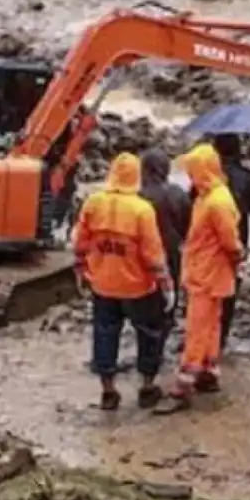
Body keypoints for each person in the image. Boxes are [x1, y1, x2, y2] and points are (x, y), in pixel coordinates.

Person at [74, 153, 172, 410]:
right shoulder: (142, 210)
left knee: (105, 334)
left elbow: (80, 243)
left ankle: (108, 390)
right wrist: (165, 282)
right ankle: (147, 386)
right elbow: (153, 254)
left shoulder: (93, 203)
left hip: (103, 284)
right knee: (149, 334)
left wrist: (82, 270)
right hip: (139, 287)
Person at [157, 143, 243, 414]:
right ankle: (208, 371)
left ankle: (184, 385)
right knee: (211, 325)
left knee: (197, 328)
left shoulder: (217, 201)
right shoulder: (211, 196)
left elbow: (230, 242)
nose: (190, 177)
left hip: (207, 274)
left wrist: (238, 257)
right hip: (208, 271)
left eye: (193, 171)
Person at [209, 133, 250, 349]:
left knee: (206, 292)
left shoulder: (206, 176)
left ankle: (206, 337)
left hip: (208, 244)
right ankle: (220, 340)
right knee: (230, 291)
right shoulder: (247, 177)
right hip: (237, 243)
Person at [139, 148, 193, 316]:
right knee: (170, 294)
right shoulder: (179, 194)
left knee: (145, 297)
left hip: (143, 254)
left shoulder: (139, 197)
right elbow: (189, 227)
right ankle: (167, 319)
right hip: (172, 250)